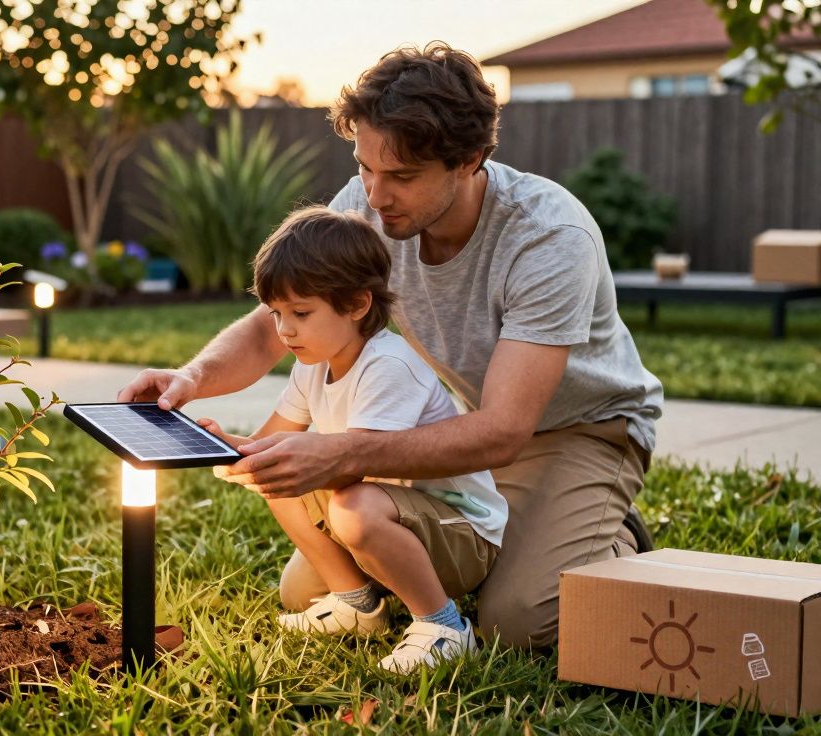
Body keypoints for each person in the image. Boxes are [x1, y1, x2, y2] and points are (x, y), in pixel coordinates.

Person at [117, 42, 663, 649]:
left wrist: (342, 455)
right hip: (467, 430)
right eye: (364, 167)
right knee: (313, 589)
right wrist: (190, 379)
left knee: (519, 621)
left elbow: (507, 429)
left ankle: (606, 532)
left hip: (582, 431)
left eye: (401, 176)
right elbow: (274, 321)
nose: (375, 196)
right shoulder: (367, 207)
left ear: (469, 160)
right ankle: (511, 537)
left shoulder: (547, 237)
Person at [196, 206, 508, 673]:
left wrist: (263, 457)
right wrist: (225, 446)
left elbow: (351, 465)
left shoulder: (388, 366)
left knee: (350, 504)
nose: (285, 329)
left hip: (464, 537)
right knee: (279, 481)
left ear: (358, 305)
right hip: (396, 522)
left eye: (301, 312)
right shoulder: (312, 365)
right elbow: (272, 443)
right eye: (277, 313)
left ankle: (445, 626)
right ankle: (357, 605)